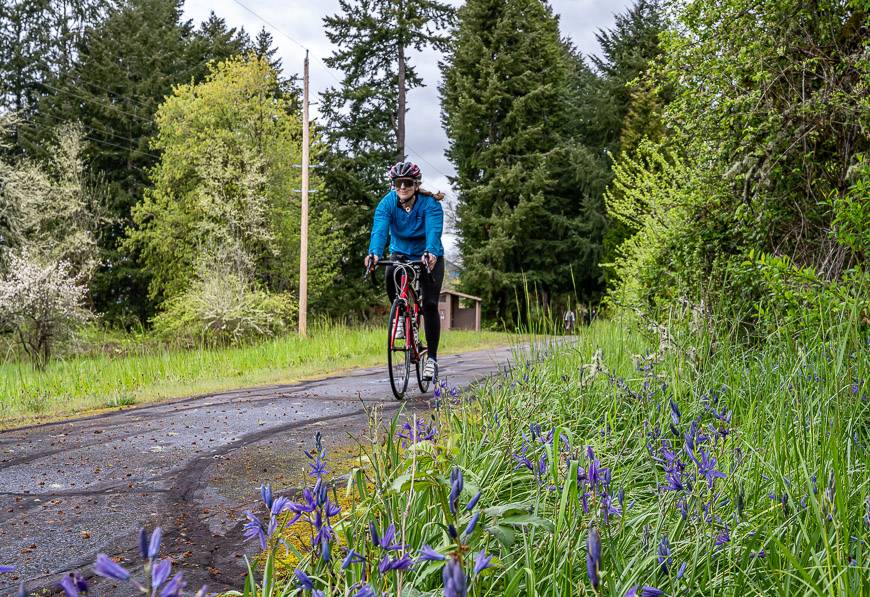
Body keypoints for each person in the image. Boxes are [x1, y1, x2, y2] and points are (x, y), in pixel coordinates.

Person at [365, 161, 445, 381]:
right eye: (398, 183)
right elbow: (379, 231)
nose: (402, 187)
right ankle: (400, 317)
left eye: (407, 183)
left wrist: (430, 252)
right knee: (390, 273)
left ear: (416, 184)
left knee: (429, 304)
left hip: (428, 255)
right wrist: (374, 254)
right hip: (400, 252)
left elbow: (433, 232)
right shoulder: (387, 204)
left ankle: (432, 360)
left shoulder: (430, 204)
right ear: (393, 184)